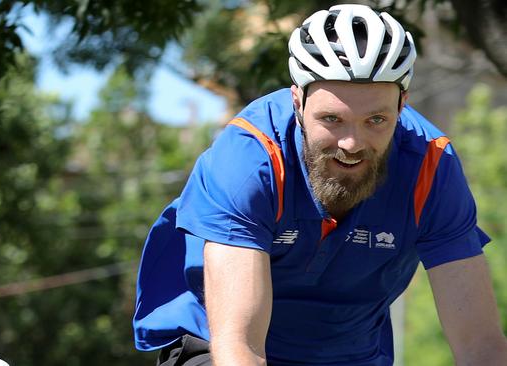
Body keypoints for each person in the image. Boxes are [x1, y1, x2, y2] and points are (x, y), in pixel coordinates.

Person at [133, 3, 507, 366]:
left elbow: (482, 346)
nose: (352, 143)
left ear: (402, 104)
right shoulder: (250, 159)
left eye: (376, 119)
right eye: (332, 118)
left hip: (351, 351)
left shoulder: (432, 166)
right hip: (219, 343)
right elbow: (240, 348)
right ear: (297, 101)